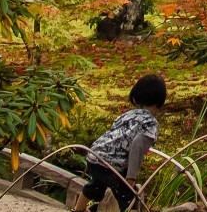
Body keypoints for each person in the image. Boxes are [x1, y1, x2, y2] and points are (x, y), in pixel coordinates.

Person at [71, 73, 166, 210]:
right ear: (160, 101)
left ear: (135, 96)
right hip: (112, 165)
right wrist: (131, 176)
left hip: (95, 156)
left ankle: (77, 210)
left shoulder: (127, 115)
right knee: (127, 197)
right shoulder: (150, 124)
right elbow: (137, 147)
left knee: (95, 186)